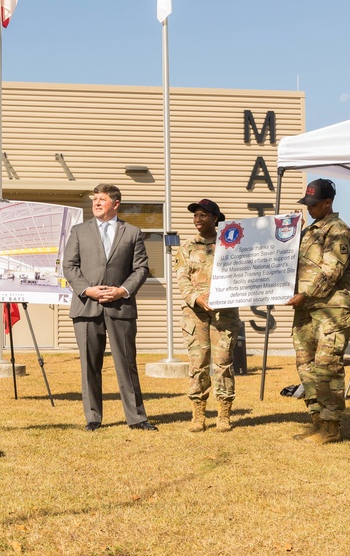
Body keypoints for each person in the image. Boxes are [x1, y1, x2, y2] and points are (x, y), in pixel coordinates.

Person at [64, 184, 155, 431]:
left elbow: (141, 269)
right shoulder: (79, 231)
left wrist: (121, 291)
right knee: (89, 365)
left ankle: (136, 418)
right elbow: (69, 266)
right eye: (94, 199)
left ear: (115, 203)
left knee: (126, 364)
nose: (96, 203)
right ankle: (93, 418)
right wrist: (88, 290)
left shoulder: (132, 232)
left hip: (121, 308)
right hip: (86, 307)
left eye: (101, 199)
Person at [287, 179, 350, 444]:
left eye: (313, 205)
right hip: (306, 310)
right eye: (306, 205)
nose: (309, 209)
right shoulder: (308, 232)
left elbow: (332, 271)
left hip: (331, 310)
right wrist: (290, 233)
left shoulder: (339, 231)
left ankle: (331, 426)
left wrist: (305, 294)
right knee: (306, 366)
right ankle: (317, 418)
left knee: (327, 367)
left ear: (328, 203)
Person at [174, 199, 242, 432]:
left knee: (223, 363)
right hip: (195, 314)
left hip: (225, 314)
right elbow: (182, 278)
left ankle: (223, 415)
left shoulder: (231, 244)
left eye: (203, 215)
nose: (197, 220)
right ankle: (198, 415)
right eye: (195, 216)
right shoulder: (187, 247)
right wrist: (196, 298)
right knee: (198, 364)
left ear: (215, 218)